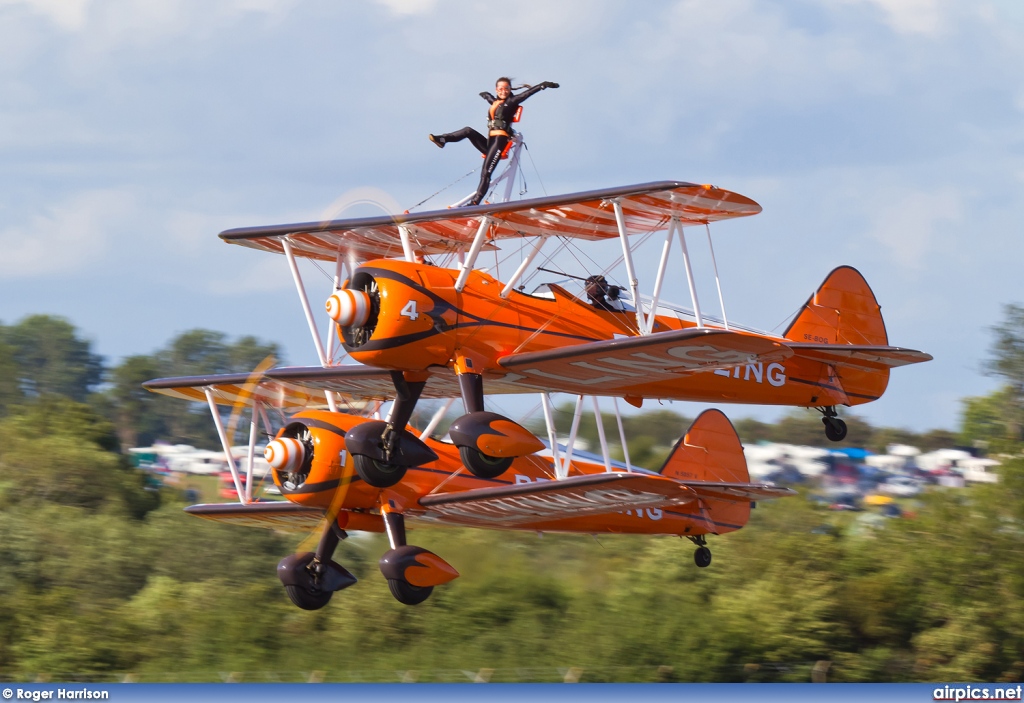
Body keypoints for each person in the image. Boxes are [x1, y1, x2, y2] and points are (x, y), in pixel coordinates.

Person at [430, 77, 559, 206]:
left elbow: (527, 93)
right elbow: (491, 99)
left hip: (499, 141)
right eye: (501, 89)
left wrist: (542, 85)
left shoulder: (512, 101)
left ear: (510, 89)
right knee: (468, 131)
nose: (504, 91)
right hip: (489, 143)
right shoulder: (495, 102)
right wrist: (486, 95)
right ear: (497, 90)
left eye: (506, 88)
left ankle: (475, 202)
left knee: (486, 173)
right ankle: (443, 139)